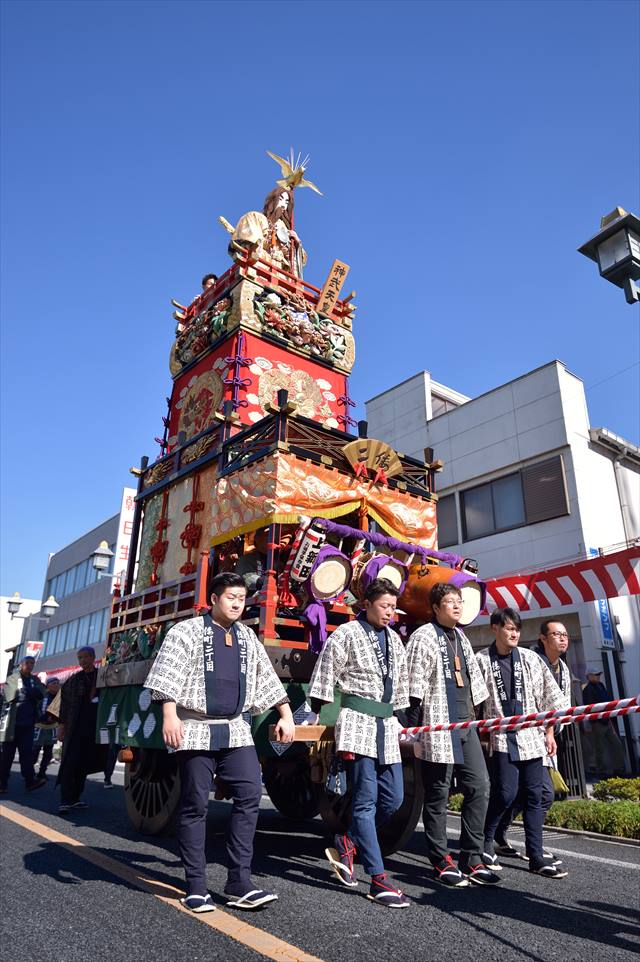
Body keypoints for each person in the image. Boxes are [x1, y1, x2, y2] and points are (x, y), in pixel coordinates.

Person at [145, 572, 295, 913]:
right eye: (231, 597)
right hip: (194, 726)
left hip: (235, 728)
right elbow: (168, 673)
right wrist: (169, 716)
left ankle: (239, 882)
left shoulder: (247, 636)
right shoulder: (186, 631)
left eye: (242, 598)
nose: (237, 604)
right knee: (195, 804)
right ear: (214, 599)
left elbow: (267, 677)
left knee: (250, 794)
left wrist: (285, 714)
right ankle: (196, 887)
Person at [304, 578, 411, 908]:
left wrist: (404, 720)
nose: (389, 613)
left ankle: (348, 841)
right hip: (358, 722)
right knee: (365, 801)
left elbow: (401, 684)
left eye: (393, 607)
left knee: (393, 798)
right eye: (384, 606)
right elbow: (326, 670)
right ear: (367, 604)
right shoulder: (347, 633)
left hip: (386, 724)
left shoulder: (394, 639)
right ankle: (378, 879)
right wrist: (315, 711)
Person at [405, 583, 497, 887]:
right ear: (435, 607)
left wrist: (482, 723)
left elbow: (475, 685)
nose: (457, 606)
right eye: (450, 601)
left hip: (466, 724)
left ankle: (472, 857)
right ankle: (440, 860)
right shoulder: (423, 636)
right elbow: (414, 686)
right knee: (438, 793)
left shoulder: (462, 637)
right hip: (436, 723)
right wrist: (413, 732)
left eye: (459, 601)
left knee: (480, 786)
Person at [478, 609, 568, 879]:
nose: (514, 633)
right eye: (508, 628)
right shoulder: (481, 660)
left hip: (531, 736)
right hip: (500, 737)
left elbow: (550, 699)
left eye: (517, 629)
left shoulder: (530, 658)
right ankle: (486, 840)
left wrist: (549, 732)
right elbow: (475, 704)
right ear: (495, 628)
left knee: (534, 796)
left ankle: (536, 855)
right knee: (505, 793)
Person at [57, 647, 108, 814]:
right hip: (74, 728)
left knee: (84, 764)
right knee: (69, 764)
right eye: (80, 658)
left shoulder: (101, 676)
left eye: (86, 657)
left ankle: (75, 798)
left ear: (93, 657)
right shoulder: (73, 680)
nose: (83, 660)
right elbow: (63, 706)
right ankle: (65, 800)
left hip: (93, 728)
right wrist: (61, 726)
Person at [0, 656, 47, 793]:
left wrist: (25, 692)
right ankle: (2, 784)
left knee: (27, 754)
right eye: (27, 662)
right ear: (21, 664)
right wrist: (30, 692)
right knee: (6, 755)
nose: (30, 665)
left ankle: (30, 781)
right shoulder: (13, 678)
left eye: (32, 663)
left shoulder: (35, 679)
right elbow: (11, 695)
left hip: (28, 724)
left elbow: (41, 692)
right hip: (12, 724)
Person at [582, 667, 625, 778]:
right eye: (596, 675)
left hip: (607, 720)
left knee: (617, 745)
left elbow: (607, 701)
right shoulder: (587, 690)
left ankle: (619, 768)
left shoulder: (601, 686)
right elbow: (590, 708)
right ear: (589, 676)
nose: (598, 677)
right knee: (599, 748)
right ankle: (601, 771)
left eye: (599, 675)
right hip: (597, 722)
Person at [33, 676, 61, 780]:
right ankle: (30, 770)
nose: (56, 685)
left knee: (48, 752)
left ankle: (42, 771)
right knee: (35, 750)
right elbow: (36, 708)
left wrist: (55, 718)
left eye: (57, 683)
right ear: (48, 686)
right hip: (39, 726)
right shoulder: (42, 695)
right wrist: (43, 717)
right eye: (54, 683)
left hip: (52, 726)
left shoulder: (60, 697)